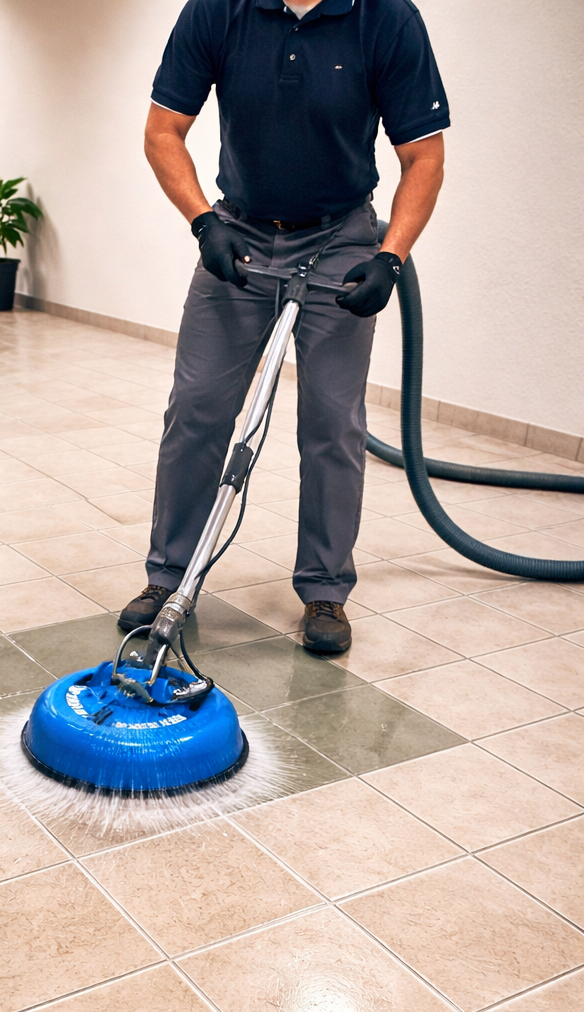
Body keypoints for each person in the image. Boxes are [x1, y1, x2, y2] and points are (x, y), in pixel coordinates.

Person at [119, 0, 448, 654]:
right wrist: (202, 222)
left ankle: (325, 589)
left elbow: (424, 156)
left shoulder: (385, 18)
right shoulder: (218, 11)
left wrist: (390, 257)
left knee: (333, 419)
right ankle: (168, 575)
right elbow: (162, 131)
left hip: (341, 237)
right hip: (238, 230)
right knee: (197, 406)